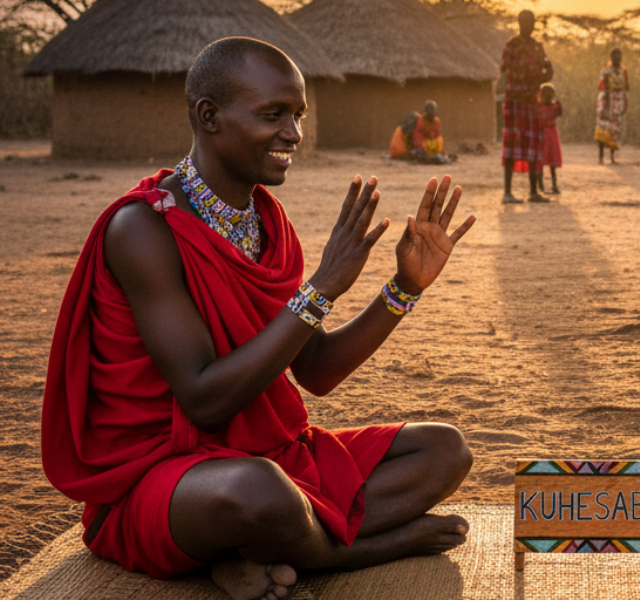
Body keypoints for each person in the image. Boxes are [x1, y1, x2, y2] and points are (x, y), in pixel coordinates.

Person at [41, 37, 478, 600]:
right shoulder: (142, 230)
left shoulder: (268, 222)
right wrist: (320, 288)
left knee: (445, 450)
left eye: (297, 115)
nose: (293, 134)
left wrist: (403, 289)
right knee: (259, 494)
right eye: (273, 115)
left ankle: (266, 547)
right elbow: (204, 399)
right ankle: (351, 549)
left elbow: (315, 369)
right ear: (209, 116)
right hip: (167, 478)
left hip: (269, 454)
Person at [500, 10, 553, 204]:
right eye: (524, 21)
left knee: (533, 145)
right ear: (519, 22)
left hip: (531, 101)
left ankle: (533, 192)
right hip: (514, 101)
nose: (527, 25)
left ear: (534, 23)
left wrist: (541, 73)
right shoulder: (512, 45)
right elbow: (505, 70)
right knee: (511, 146)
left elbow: (547, 71)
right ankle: (507, 192)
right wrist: (533, 72)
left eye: (530, 21)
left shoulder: (537, 47)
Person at [595, 48, 629, 165]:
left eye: (619, 57)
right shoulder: (605, 71)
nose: (617, 59)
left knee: (615, 129)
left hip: (618, 102)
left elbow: (625, 88)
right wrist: (603, 105)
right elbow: (602, 88)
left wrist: (624, 102)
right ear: (611, 57)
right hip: (607, 101)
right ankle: (600, 157)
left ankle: (612, 157)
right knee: (603, 128)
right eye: (615, 57)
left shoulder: (623, 71)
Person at [538, 83, 563, 195]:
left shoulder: (540, 107)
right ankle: (553, 185)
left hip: (543, 134)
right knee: (550, 162)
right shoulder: (554, 107)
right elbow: (560, 113)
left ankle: (541, 185)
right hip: (551, 133)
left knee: (542, 160)